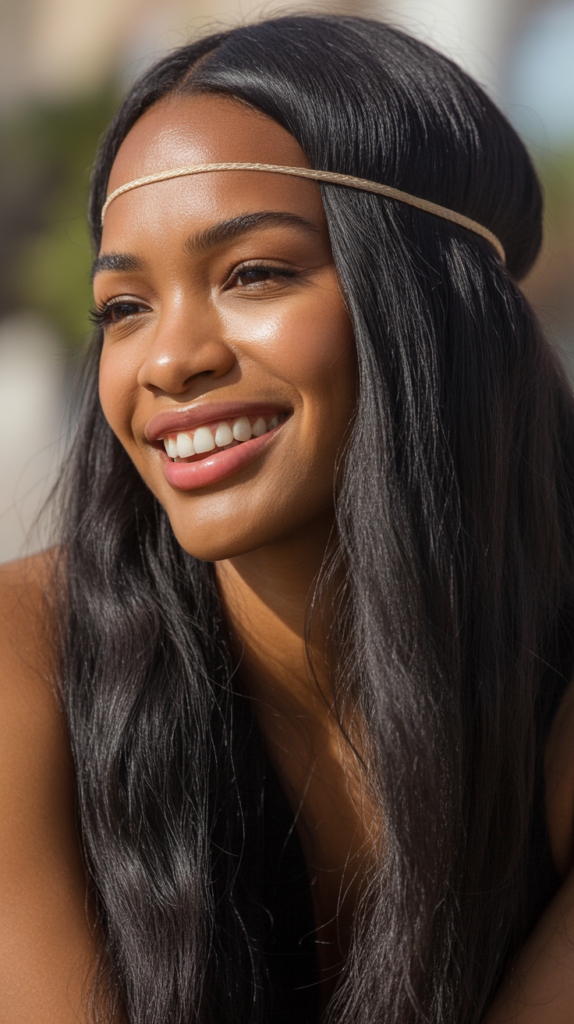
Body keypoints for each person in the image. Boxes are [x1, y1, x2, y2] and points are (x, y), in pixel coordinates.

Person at [2, 13, 574, 1024]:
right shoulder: (25, 662)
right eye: (125, 306)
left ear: (426, 304)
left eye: (252, 273)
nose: (170, 359)